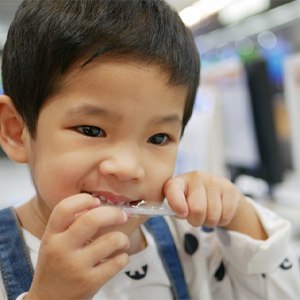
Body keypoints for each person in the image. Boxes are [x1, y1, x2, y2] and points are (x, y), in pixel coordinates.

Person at [0, 0, 299, 299]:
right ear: (16, 131)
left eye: (158, 138)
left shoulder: (189, 241)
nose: (129, 167)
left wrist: (238, 215)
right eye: (92, 130)